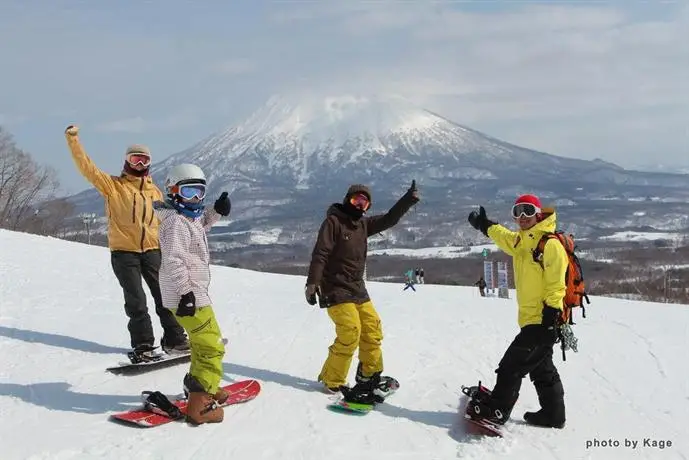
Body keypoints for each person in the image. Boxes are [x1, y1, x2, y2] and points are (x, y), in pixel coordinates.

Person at [64, 125, 188, 359]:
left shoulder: (155, 193)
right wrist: (73, 140)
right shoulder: (113, 186)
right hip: (124, 253)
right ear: (127, 161)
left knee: (165, 298)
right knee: (136, 301)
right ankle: (144, 345)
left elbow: (166, 223)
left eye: (144, 160)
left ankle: (175, 340)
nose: (139, 164)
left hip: (152, 251)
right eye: (135, 159)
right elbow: (87, 168)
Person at [305, 181, 420, 403]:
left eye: (364, 202)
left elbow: (389, 219)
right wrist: (312, 283)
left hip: (357, 289)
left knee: (372, 330)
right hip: (335, 288)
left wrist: (408, 200)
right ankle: (333, 379)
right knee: (350, 331)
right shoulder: (333, 222)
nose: (359, 205)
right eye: (355, 200)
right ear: (347, 199)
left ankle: (369, 376)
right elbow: (320, 253)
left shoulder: (363, 226)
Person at [466, 194, 568, 429]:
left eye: (528, 211)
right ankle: (553, 415)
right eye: (517, 211)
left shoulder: (549, 244)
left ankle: (497, 411)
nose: (522, 217)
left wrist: (551, 316)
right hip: (532, 319)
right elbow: (503, 237)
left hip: (543, 321)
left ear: (538, 213)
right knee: (542, 369)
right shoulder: (522, 241)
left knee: (511, 366)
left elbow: (557, 284)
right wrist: (485, 225)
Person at [153, 163, 232, 424]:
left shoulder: (186, 219)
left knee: (201, 343)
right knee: (212, 346)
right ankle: (200, 404)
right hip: (188, 296)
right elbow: (174, 259)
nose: (195, 199)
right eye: (189, 193)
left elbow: (200, 225)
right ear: (173, 192)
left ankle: (198, 384)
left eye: (199, 192)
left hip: (192, 294)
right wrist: (186, 293)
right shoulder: (175, 223)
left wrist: (216, 213)